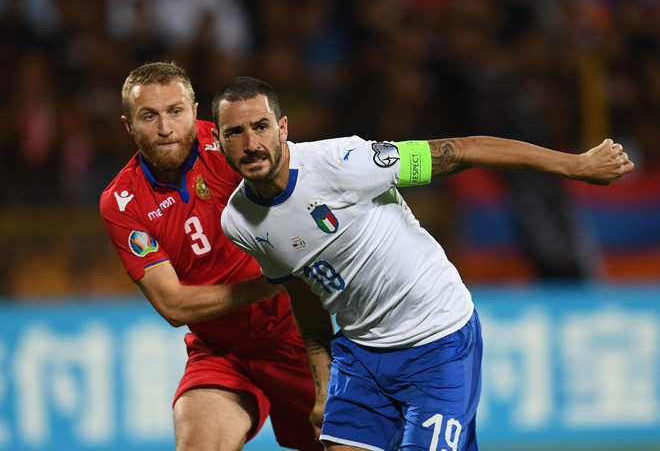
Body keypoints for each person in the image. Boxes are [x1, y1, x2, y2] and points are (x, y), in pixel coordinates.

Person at [212, 76, 635, 451]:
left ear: (283, 128)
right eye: (235, 133)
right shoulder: (239, 222)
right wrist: (322, 387)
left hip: (438, 340)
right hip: (361, 355)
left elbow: (465, 149)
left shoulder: (345, 163)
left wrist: (575, 165)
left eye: (261, 126)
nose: (251, 144)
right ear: (218, 139)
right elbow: (304, 297)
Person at [99, 62, 322, 451]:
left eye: (175, 111)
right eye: (149, 116)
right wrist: (271, 283)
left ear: (195, 111)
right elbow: (173, 305)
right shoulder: (122, 201)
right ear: (128, 125)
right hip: (221, 352)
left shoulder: (232, 145)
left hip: (295, 335)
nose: (165, 128)